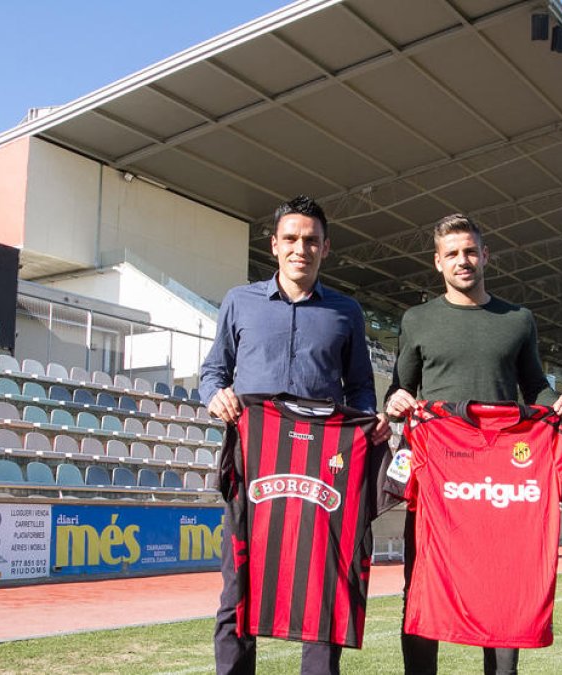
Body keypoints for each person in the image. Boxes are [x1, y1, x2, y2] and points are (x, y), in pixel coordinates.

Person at [199, 195, 389, 675]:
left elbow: (361, 388)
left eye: (311, 240)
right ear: (274, 245)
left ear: (326, 248)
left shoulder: (346, 311)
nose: (300, 248)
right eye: (291, 239)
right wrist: (215, 395)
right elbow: (212, 372)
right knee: (238, 586)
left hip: (323, 467)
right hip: (253, 459)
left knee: (322, 586)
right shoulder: (238, 301)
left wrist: (366, 426)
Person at [384, 213, 562, 675]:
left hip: (498, 481)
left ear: (485, 255)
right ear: (437, 262)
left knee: (502, 590)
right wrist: (395, 402)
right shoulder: (417, 320)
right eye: (452, 253)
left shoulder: (517, 320)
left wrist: (560, 404)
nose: (462, 260)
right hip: (437, 479)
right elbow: (398, 389)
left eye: (470, 251)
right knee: (423, 588)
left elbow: (535, 386)